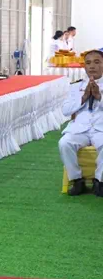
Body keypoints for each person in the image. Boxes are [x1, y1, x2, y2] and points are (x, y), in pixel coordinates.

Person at [58, 49, 103, 197]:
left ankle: (99, 181)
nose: (92, 66)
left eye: (97, 62)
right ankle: (77, 180)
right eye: (88, 63)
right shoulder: (76, 86)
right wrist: (83, 98)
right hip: (80, 129)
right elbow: (65, 110)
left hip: (100, 129)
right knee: (64, 143)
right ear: (84, 66)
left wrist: (99, 97)